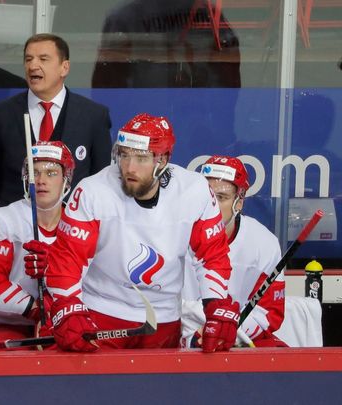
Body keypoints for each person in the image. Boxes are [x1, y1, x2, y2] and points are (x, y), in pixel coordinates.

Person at [24, 113, 236, 353]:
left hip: (164, 319)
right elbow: (68, 259)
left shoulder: (194, 190)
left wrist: (216, 305)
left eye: (141, 158)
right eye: (124, 155)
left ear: (163, 159)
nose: (129, 167)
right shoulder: (93, 191)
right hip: (100, 313)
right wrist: (67, 306)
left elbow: (212, 256)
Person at [0, 141, 75, 350]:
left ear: (66, 180)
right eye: (35, 173)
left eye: (51, 173)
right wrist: (33, 308)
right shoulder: (3, 219)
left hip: (65, 319)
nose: (42, 180)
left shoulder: (81, 221)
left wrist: (59, 306)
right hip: (9, 322)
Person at [0, 33, 112, 205]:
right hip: (19, 224)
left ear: (64, 67)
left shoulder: (94, 116)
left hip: (73, 224)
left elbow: (100, 177)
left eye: (43, 59)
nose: (33, 65)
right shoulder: (0, 114)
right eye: (28, 59)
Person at [182, 155, 286, 347]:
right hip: (181, 336)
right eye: (206, 195)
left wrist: (228, 331)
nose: (210, 204)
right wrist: (194, 335)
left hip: (237, 338)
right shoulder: (176, 232)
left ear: (239, 202)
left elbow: (269, 311)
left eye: (221, 198)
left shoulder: (264, 243)